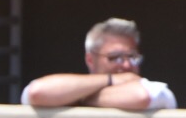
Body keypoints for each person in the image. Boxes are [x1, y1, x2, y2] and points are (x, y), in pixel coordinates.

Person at [22, 18, 177, 111]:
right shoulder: (69, 88)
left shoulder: (155, 89)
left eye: (132, 57)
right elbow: (38, 92)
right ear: (90, 60)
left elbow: (139, 97)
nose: (126, 65)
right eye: (115, 57)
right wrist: (110, 80)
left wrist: (79, 99)